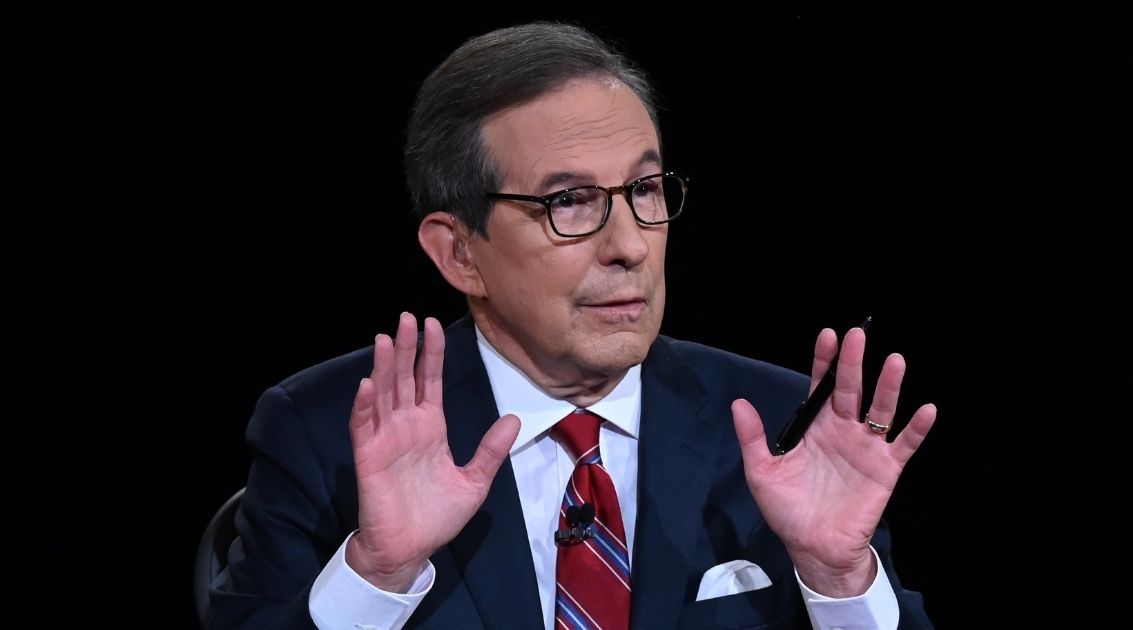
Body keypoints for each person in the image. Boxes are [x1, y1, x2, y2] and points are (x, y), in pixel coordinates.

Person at [209, 21, 938, 630]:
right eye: (570, 203)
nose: (628, 245)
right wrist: (379, 572)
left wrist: (837, 578)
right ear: (460, 253)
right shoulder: (323, 434)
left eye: (645, 190)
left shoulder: (781, 428)